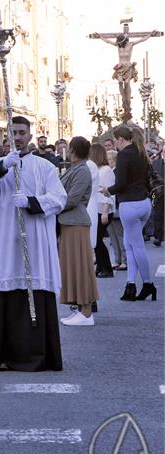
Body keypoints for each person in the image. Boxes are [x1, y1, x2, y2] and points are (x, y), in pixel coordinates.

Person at [0, 116, 67, 371]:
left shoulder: (44, 167)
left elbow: (59, 198)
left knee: (33, 292)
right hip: (3, 247)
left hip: (32, 244)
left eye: (22, 132)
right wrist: (3, 166)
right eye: (13, 133)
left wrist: (32, 202)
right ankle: (0, 356)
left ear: (30, 136)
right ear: (6, 137)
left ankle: (36, 356)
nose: (18, 137)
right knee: (5, 297)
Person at [103, 126, 156, 301]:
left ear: (119, 139)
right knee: (130, 245)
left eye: (115, 141)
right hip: (144, 204)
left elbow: (121, 184)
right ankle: (130, 285)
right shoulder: (142, 152)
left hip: (130, 205)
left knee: (136, 247)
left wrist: (107, 191)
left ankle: (148, 284)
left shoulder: (124, 155)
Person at [58, 137, 99, 326]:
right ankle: (81, 310)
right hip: (70, 223)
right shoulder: (77, 168)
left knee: (81, 268)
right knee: (74, 268)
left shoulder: (82, 169)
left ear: (72, 149)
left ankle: (86, 312)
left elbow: (73, 199)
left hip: (76, 223)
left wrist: (50, 206)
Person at [89, 143, 115, 277]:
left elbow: (109, 193)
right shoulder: (97, 170)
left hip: (103, 210)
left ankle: (107, 268)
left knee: (98, 240)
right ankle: (100, 266)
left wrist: (105, 211)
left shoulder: (106, 170)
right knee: (96, 239)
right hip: (96, 209)